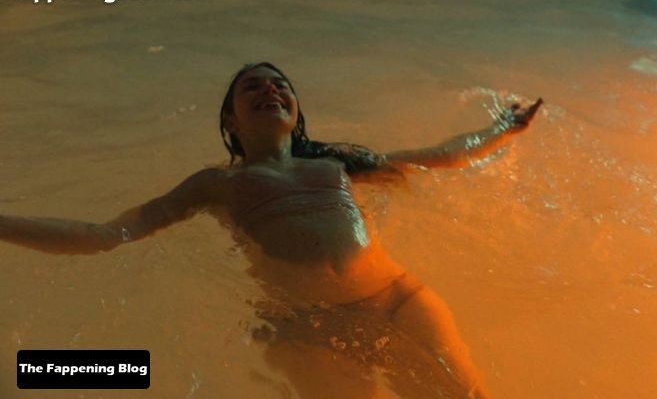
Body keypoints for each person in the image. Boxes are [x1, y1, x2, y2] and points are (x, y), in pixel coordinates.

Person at [0, 62, 542, 398]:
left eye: (280, 85)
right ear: (231, 121)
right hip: (305, 328)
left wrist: (502, 128)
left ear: (296, 112)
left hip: (394, 301)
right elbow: (104, 235)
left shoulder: (335, 163)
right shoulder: (216, 184)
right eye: (252, 87)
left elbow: (438, 157)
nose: (270, 90)